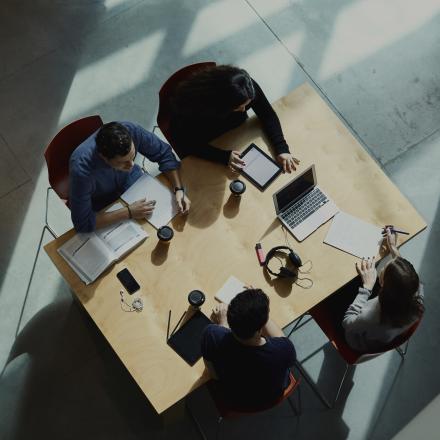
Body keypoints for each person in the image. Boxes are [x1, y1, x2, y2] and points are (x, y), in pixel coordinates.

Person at [170, 65, 300, 173]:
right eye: (239, 107)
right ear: (222, 104)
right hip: (208, 144)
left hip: (238, 135)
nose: (244, 110)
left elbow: (267, 114)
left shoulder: (245, 86)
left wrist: (281, 148)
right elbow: (188, 144)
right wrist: (224, 157)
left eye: (247, 104)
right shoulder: (192, 109)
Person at [69, 121, 190, 232]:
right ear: (104, 157)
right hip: (103, 202)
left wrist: (178, 189)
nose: (131, 165)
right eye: (123, 162)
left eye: (132, 157)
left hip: (133, 181)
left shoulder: (130, 130)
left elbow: (164, 154)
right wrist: (128, 212)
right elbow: (82, 223)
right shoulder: (81, 171)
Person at [201, 288, 296, 409]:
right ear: (261, 327)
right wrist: (258, 310)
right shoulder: (284, 350)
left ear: (230, 320)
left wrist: (223, 323)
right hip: (271, 397)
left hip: (235, 401)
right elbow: (281, 337)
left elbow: (214, 375)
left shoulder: (212, 335)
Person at [342, 227, 424, 352]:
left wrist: (367, 287)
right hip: (382, 334)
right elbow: (402, 275)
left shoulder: (370, 318)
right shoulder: (416, 292)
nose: (381, 268)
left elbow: (347, 322)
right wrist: (393, 247)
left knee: (340, 290)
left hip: (356, 339)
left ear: (381, 283)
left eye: (383, 269)